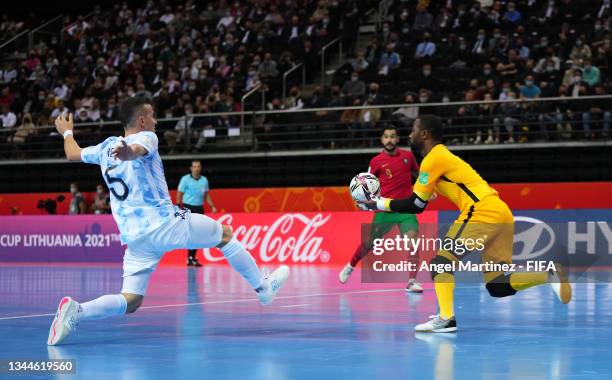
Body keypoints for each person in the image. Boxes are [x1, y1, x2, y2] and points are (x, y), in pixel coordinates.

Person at [47, 96, 289, 345]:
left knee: (131, 300)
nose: (156, 120)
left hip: (136, 238)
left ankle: (77, 311)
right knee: (224, 235)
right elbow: (137, 149)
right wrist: (129, 152)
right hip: (164, 224)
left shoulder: (104, 148)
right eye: (152, 115)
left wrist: (67, 133)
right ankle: (263, 289)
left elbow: (73, 153)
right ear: (142, 120)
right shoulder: (147, 137)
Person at [359, 115, 572, 333]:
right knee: (498, 285)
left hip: (481, 212)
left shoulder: (433, 158)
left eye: (414, 130)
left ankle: (446, 318)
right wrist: (382, 202)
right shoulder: (440, 159)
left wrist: (378, 203)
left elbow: (415, 205)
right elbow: (420, 198)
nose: (410, 134)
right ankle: (548, 274)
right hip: (500, 212)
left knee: (441, 263)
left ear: (425, 134)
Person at [339, 126, 423, 293]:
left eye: (393, 136)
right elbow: (365, 183)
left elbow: (420, 174)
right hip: (384, 209)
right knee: (369, 244)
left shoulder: (408, 156)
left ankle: (412, 281)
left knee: (413, 243)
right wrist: (363, 202)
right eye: (386, 137)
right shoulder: (376, 161)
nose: (390, 140)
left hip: (405, 209)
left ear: (397, 139)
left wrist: (427, 188)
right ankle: (350, 266)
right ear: (382, 140)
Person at [177, 160, 218, 267]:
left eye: (198, 166)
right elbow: (179, 193)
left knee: (198, 233)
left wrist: (212, 206)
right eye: (194, 166)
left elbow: (206, 195)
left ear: (200, 168)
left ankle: (192, 258)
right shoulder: (185, 179)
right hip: (188, 207)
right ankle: (190, 257)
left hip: (199, 208)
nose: (196, 168)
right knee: (190, 233)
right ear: (191, 168)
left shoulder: (204, 180)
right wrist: (178, 206)